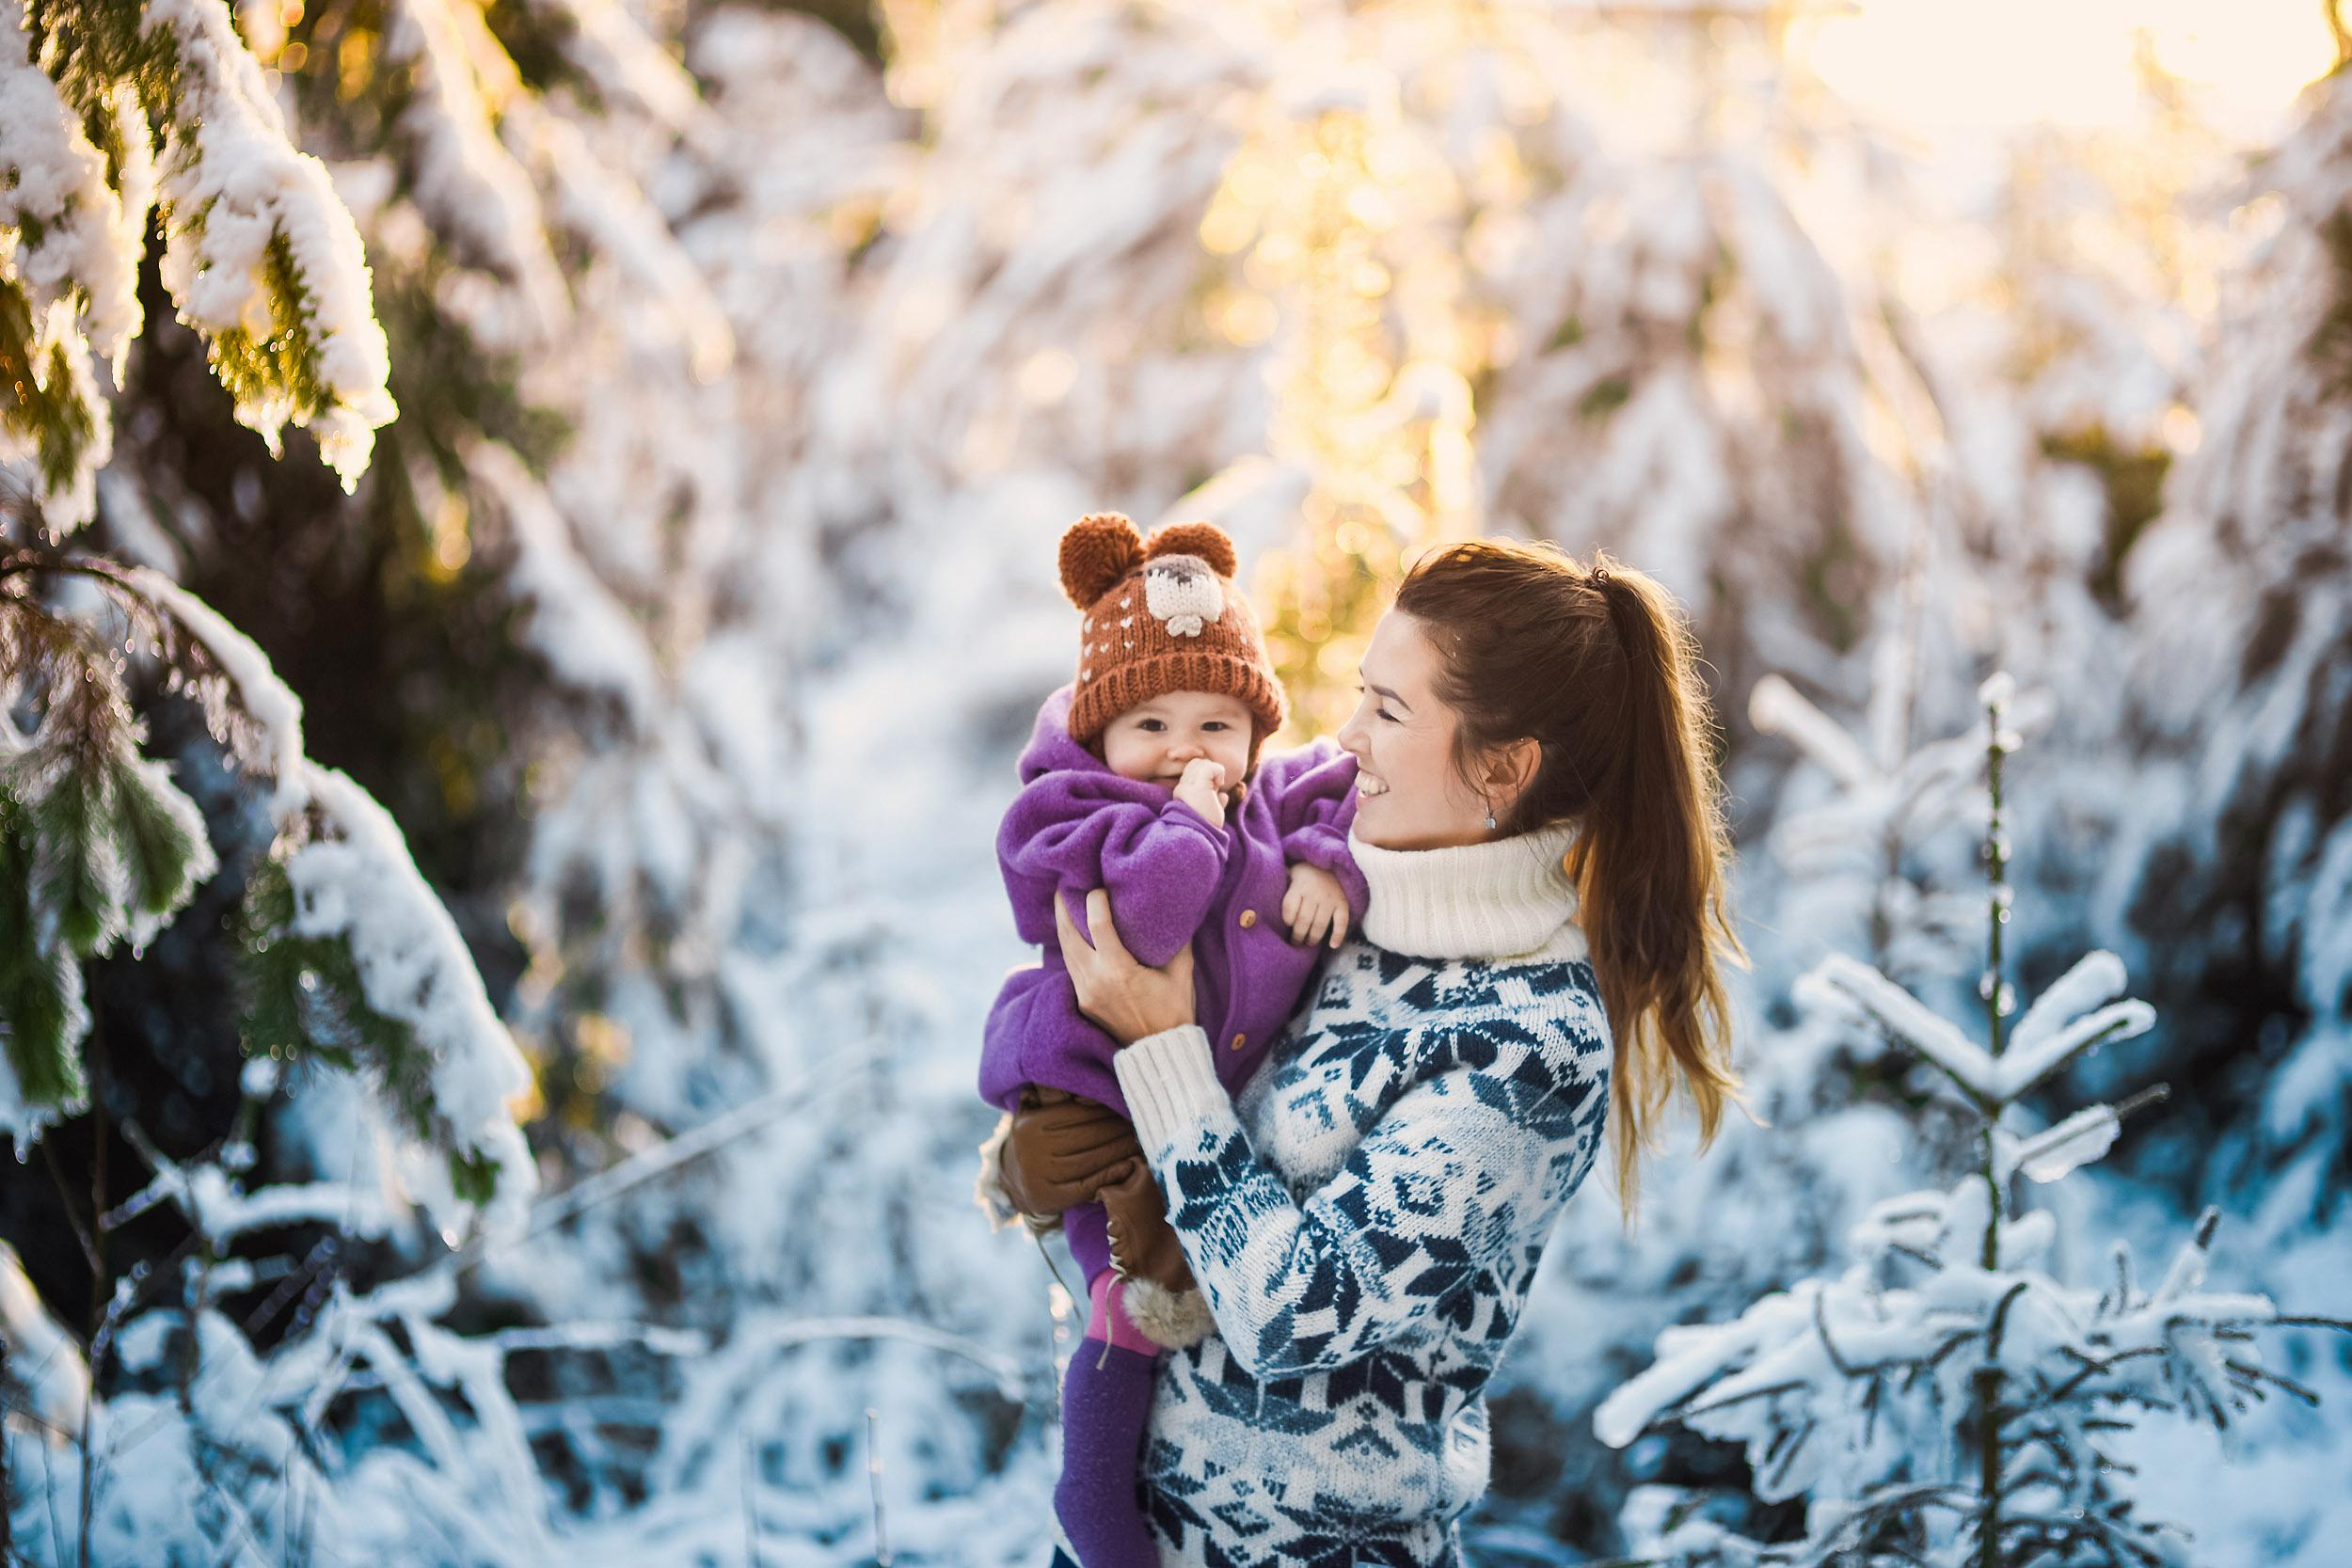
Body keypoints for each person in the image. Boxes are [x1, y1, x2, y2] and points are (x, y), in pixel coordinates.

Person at [978, 538, 1753, 1567]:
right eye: (1359, 693)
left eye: (1387, 710)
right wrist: (1039, 1163)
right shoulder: (1329, 903)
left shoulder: (1528, 1039)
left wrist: (1159, 1050)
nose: (1343, 735)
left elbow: (1292, 1311)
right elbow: (1161, 1204)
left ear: (1502, 768)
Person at [977, 512, 1370, 1568]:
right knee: (1134, 1306)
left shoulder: (1263, 798)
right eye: (1148, 722)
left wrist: (1326, 858)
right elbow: (1147, 923)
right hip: (1096, 1100)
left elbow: (1343, 784)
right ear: (1100, 733)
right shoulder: (1077, 813)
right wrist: (1193, 817)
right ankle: (1095, 1507)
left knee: (1198, 1292)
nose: (1183, 751)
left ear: (1253, 731)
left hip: (1196, 1103)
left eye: (1215, 726)